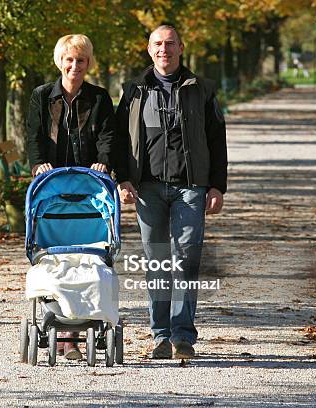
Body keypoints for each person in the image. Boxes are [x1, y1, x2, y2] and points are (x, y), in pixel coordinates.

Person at [114, 25, 227, 359]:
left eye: (170, 44)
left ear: (181, 48)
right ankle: (160, 335)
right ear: (149, 50)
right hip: (147, 189)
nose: (164, 49)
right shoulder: (133, 89)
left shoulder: (201, 89)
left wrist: (217, 185)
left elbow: (217, 140)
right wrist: (123, 179)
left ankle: (182, 336)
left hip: (190, 188)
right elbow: (120, 139)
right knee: (157, 261)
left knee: (187, 260)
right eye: (157, 44)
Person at [27, 34, 117, 360]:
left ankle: (81, 326)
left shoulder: (99, 98)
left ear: (88, 63)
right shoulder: (41, 96)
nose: (74, 66)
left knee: (87, 257)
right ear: (59, 62)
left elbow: (108, 135)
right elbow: (34, 136)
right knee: (56, 256)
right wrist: (38, 164)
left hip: (88, 184)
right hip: (52, 183)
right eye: (69, 60)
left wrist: (104, 162)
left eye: (81, 60)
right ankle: (63, 332)